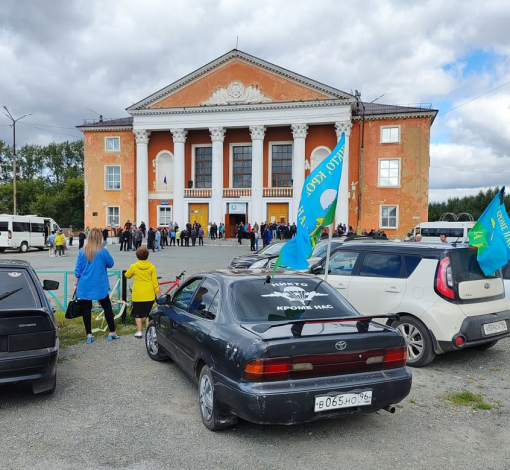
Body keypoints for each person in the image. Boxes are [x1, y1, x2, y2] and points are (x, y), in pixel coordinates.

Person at [74, 227, 118, 344]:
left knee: (86, 310)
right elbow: (111, 264)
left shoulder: (82, 251)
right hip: (100, 284)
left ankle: (89, 334)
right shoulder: (103, 251)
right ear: (100, 237)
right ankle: (112, 331)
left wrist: (75, 284)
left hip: (85, 284)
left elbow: (78, 271)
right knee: (107, 307)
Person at [125, 247, 159, 338]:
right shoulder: (151, 266)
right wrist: (156, 291)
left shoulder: (134, 266)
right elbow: (154, 281)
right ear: (147, 256)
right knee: (148, 314)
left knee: (138, 314)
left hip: (138, 294)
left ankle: (139, 331)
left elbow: (127, 275)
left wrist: (127, 272)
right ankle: (149, 331)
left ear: (137, 256)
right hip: (149, 294)